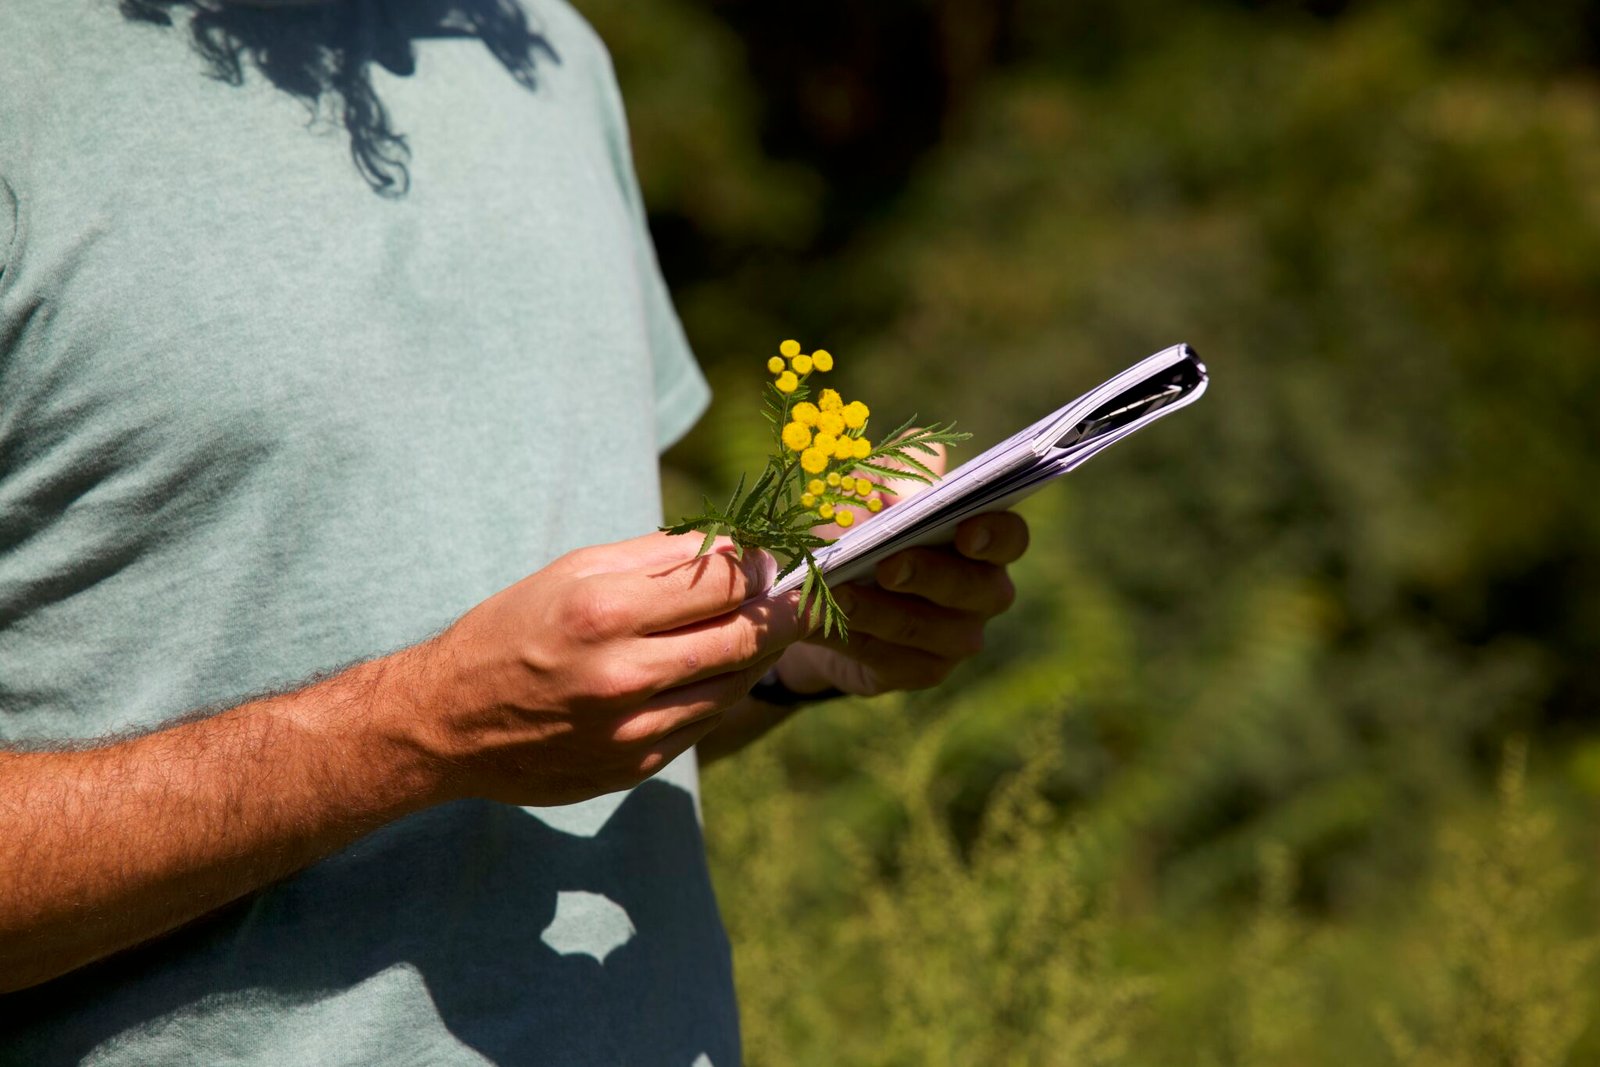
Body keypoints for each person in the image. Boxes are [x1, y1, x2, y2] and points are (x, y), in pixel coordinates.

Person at [0, 0, 1028, 1062]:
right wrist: (416, 732)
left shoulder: (550, 57)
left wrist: (779, 651)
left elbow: (564, 710)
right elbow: (481, 720)